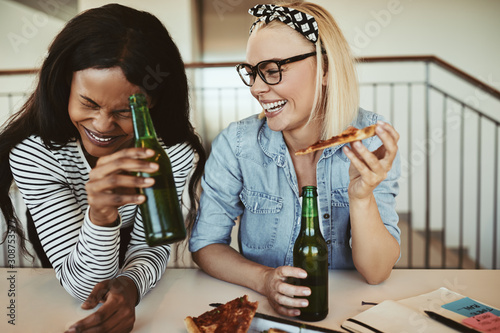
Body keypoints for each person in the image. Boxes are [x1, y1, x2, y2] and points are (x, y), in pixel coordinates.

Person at [0, 4, 206, 333]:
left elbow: (149, 248)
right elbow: (83, 289)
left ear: (151, 103)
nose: (102, 125)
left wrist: (131, 286)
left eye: (124, 111)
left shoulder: (169, 152)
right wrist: (100, 214)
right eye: (89, 103)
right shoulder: (36, 154)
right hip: (62, 276)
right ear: (63, 85)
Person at [189, 1, 401, 318]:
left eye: (272, 71)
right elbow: (205, 245)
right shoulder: (235, 144)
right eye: (252, 72)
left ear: (325, 69)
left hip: (346, 312)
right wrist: (264, 279)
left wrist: (361, 196)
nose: (257, 88)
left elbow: (377, 272)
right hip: (265, 312)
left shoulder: (370, 142)